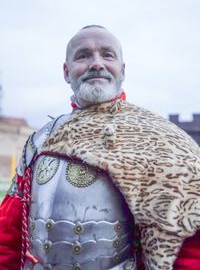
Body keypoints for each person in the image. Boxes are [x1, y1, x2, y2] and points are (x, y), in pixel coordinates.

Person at [0, 25, 200, 270]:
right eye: (83, 55)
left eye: (107, 55)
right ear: (66, 71)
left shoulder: (164, 142)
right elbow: (9, 233)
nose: (96, 63)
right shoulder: (40, 140)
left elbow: (189, 245)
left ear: (122, 70)